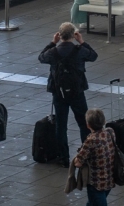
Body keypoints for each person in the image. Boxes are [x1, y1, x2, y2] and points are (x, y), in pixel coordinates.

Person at [38, 22, 98, 166]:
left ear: (59, 35)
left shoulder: (53, 52)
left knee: (61, 126)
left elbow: (41, 57)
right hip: (77, 92)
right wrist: (82, 42)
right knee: (84, 124)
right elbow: (94, 56)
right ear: (73, 35)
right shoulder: (79, 51)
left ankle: (63, 157)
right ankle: (85, 155)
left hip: (59, 93)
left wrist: (53, 43)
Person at [72, 108, 116, 206]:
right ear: (104, 121)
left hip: (96, 183)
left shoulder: (91, 140)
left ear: (88, 125)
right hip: (110, 179)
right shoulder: (110, 132)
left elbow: (78, 162)